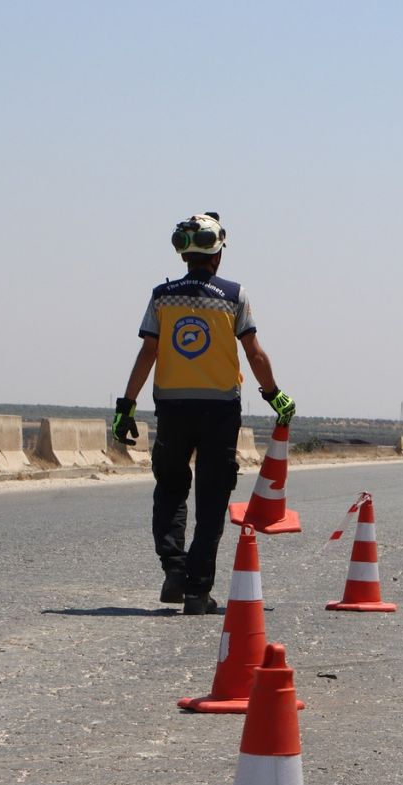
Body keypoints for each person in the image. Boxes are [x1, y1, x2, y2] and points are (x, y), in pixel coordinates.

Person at [112, 213, 297, 615]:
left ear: (183, 252)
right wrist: (275, 396)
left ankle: (174, 572)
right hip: (219, 411)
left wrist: (125, 407)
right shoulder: (234, 295)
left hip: (173, 409)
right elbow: (254, 353)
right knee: (212, 498)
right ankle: (197, 590)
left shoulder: (162, 296)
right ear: (217, 253)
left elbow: (148, 353)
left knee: (171, 489)